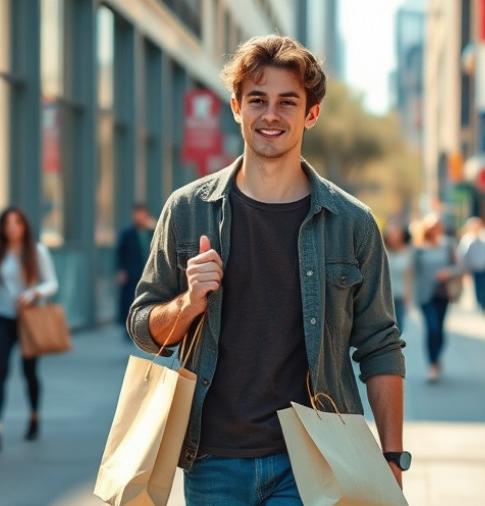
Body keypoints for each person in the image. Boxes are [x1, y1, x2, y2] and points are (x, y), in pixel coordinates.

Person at [127, 35, 406, 504]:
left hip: (315, 458)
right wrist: (189, 303)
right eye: (257, 100)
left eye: (287, 102)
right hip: (213, 458)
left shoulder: (352, 224)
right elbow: (142, 326)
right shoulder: (187, 211)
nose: (270, 115)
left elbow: (379, 344)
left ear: (310, 114)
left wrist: (393, 458)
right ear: (236, 107)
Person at [0, 207, 59, 450]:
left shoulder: (37, 250)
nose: (11, 227)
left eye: (17, 223)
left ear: (24, 226)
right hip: (3, 317)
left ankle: (34, 415)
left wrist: (35, 292)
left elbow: (52, 283)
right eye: (7, 223)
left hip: (29, 319)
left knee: (29, 372)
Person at [411, 213, 462, 383]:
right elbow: (412, 272)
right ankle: (432, 365)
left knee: (439, 329)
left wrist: (448, 272)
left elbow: (460, 267)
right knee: (431, 328)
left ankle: (437, 357)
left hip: (443, 294)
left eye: (437, 226)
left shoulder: (448, 245)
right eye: (432, 227)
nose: (435, 230)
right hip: (425, 296)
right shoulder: (419, 248)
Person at [115, 204, 155, 337]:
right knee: (129, 300)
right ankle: (128, 329)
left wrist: (155, 227)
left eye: (143, 214)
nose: (140, 217)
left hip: (148, 273)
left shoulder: (151, 232)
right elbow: (120, 253)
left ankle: (143, 328)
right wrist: (120, 270)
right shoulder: (127, 234)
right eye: (138, 214)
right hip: (131, 273)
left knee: (147, 300)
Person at [457, 217, 485, 310]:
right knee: (477, 287)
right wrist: (465, 269)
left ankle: (484, 303)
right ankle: (480, 303)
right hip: (474, 268)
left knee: (484, 286)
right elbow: (463, 255)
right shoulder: (467, 238)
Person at [383, 220, 412, 335]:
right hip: (383, 298)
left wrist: (408, 297)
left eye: (396, 234)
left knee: (399, 328)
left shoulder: (407, 253)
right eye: (391, 234)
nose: (394, 237)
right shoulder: (381, 251)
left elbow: (410, 276)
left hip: (400, 297)